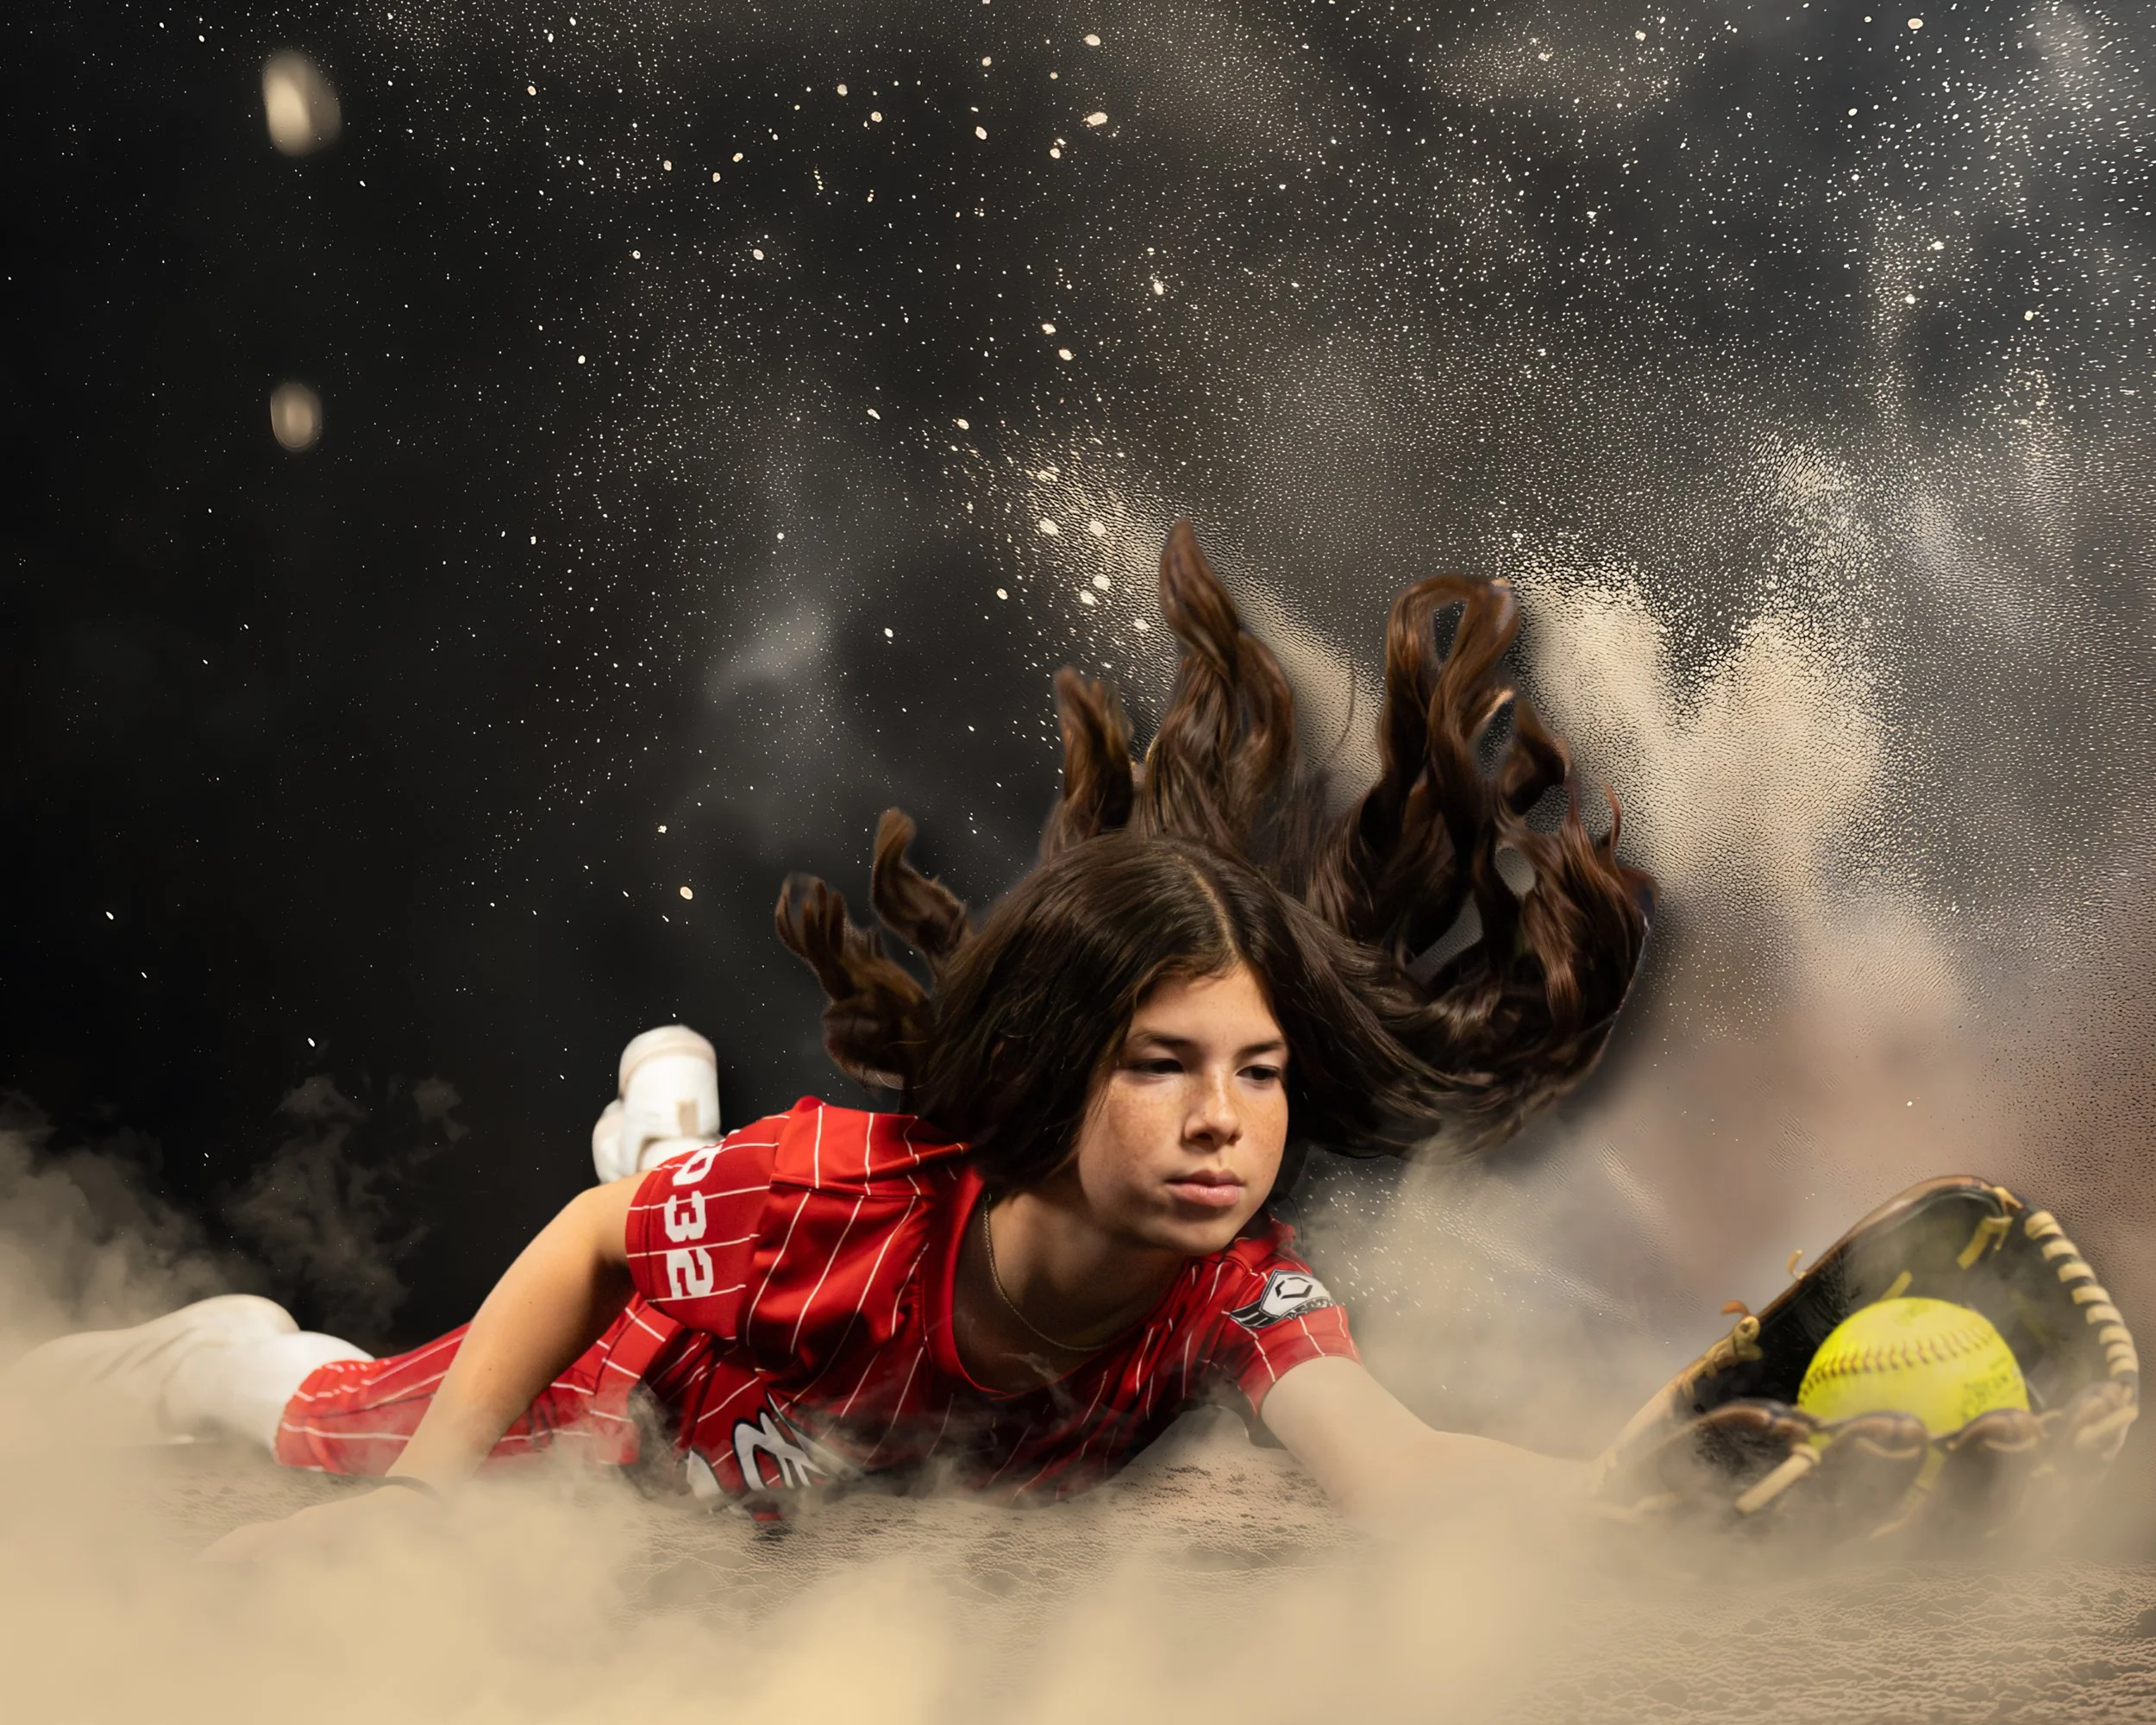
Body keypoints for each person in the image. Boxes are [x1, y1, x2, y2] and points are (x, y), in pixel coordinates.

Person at [0, 524, 1652, 1551]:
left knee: (692, 1208)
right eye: (1162, 1065)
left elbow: (1397, 1462)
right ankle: (196, 1342)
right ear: (1053, 1068)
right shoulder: (848, 1203)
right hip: (639, 1401)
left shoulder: (1235, 1286)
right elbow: (589, 1253)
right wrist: (426, 1508)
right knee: (341, 1430)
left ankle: (670, 1142)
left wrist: (1642, 1497)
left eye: (1260, 1072)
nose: (1225, 1120)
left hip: (772, 1356)